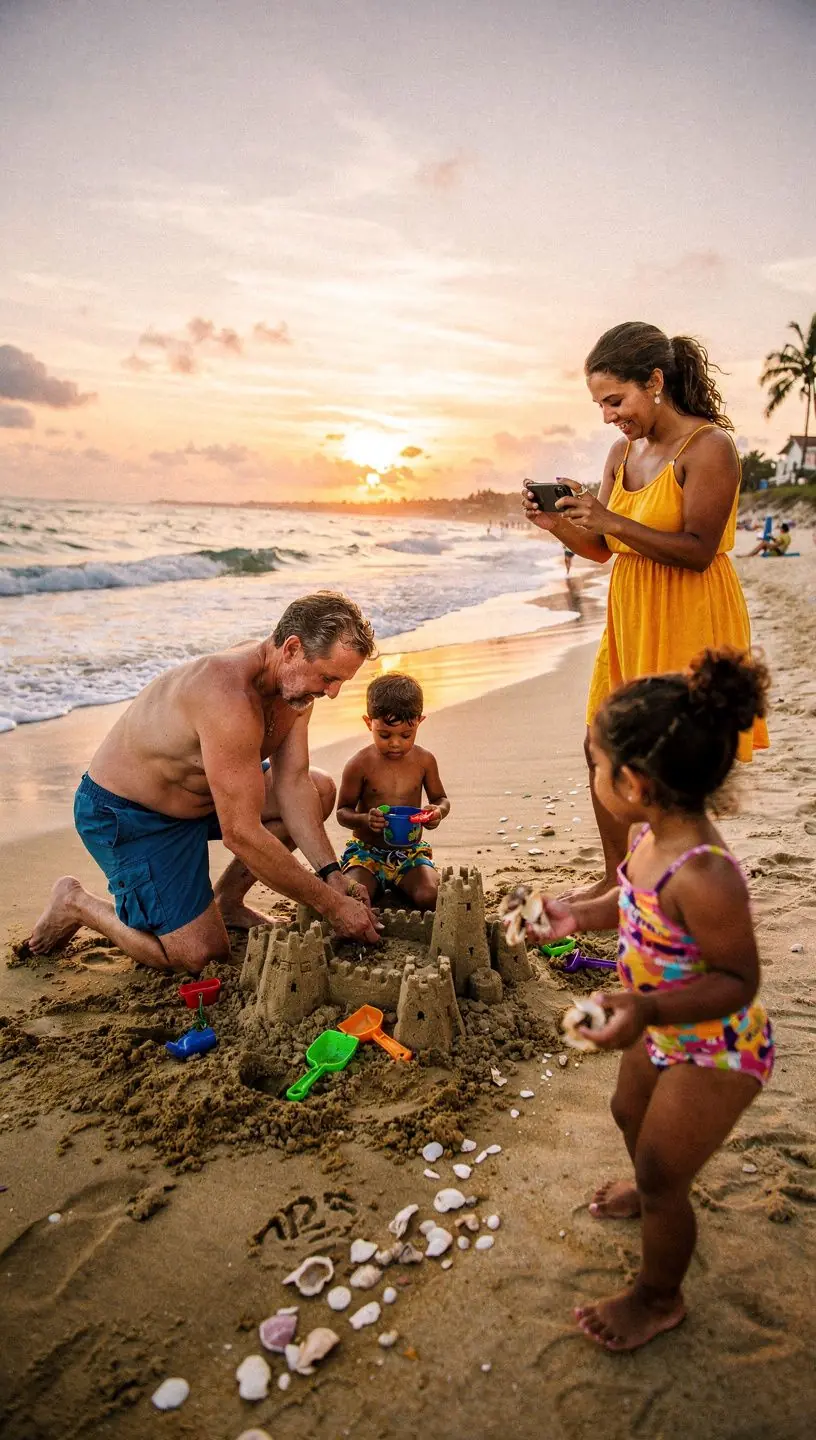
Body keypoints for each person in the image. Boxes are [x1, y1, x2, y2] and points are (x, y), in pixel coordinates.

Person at [527, 648, 774, 1352]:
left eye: (596, 765)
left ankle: (659, 1295)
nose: (593, 776)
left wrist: (649, 1011)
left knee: (668, 1172)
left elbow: (737, 980)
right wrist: (578, 913)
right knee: (626, 1110)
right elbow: (626, 899)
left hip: (716, 1046)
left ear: (634, 782)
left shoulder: (705, 874)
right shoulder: (649, 836)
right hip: (658, 1024)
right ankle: (651, 1188)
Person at [523, 322, 768, 897]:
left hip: (689, 614)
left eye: (615, 400)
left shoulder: (709, 447)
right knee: (600, 745)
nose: (607, 415)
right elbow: (604, 550)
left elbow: (699, 550)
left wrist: (609, 519)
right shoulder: (621, 452)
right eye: (600, 404)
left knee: (668, 766)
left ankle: (677, 889)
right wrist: (557, 522)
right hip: (631, 616)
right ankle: (620, 881)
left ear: (654, 381)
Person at [27, 592, 382, 973]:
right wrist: (332, 907)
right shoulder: (226, 695)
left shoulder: (292, 687)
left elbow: (292, 783)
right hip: (129, 814)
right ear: (292, 648)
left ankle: (228, 902)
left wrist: (331, 874)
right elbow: (241, 833)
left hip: (204, 799)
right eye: (329, 678)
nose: (332, 692)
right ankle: (76, 902)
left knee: (318, 789)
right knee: (199, 957)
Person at [335, 673, 449, 910]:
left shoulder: (425, 761)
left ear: (419, 721)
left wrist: (436, 812)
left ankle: (400, 887)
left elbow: (441, 799)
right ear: (369, 723)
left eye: (406, 735)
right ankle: (384, 887)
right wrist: (365, 819)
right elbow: (342, 812)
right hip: (367, 854)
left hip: (409, 853)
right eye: (384, 735)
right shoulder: (359, 764)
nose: (395, 743)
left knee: (431, 896)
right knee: (355, 897)